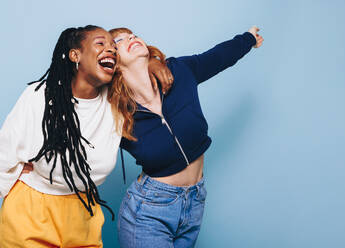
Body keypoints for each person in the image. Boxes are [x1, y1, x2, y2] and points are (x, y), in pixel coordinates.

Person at [0, 25, 173, 248]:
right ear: (75, 55)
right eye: (100, 43)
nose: (111, 50)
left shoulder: (116, 101)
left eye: (114, 49)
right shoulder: (40, 98)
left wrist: (153, 60)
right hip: (31, 212)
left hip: (84, 215)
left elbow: (138, 65)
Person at [108, 26, 263, 247]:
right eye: (120, 40)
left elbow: (217, 57)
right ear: (112, 62)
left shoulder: (178, 71)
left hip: (195, 201)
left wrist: (247, 39)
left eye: (132, 34)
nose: (131, 37)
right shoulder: (114, 111)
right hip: (149, 211)